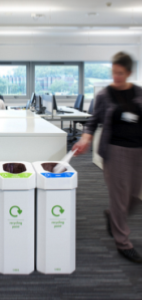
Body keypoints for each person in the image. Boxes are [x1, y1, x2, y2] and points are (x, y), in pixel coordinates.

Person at [72, 52, 142, 264]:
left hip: (138, 150)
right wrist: (85, 138)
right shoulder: (104, 95)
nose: (116, 77)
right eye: (114, 72)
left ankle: (112, 216)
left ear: (129, 72)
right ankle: (123, 243)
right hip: (115, 151)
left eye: (120, 73)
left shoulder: (139, 92)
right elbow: (93, 121)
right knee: (120, 198)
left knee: (133, 197)